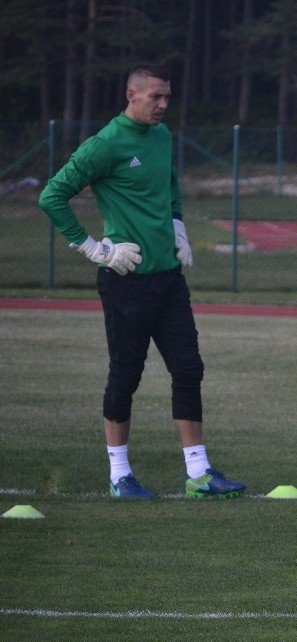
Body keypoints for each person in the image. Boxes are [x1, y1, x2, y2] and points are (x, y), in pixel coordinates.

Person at [39, 64, 245, 500]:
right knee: (125, 376)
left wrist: (177, 224)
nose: (164, 105)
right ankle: (120, 476)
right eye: (155, 97)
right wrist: (95, 249)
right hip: (126, 281)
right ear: (131, 94)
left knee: (189, 368)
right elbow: (52, 195)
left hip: (168, 280)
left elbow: (170, 182)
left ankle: (200, 473)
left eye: (168, 97)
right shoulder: (105, 145)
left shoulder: (162, 137)